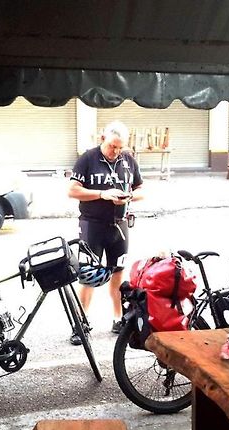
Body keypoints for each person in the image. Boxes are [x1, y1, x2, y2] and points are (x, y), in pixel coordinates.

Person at [68, 121, 144, 344]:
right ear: (103, 139)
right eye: (113, 146)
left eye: (120, 147)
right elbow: (72, 190)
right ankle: (81, 323)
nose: (116, 151)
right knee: (88, 275)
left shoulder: (128, 160)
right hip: (92, 225)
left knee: (119, 273)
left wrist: (129, 196)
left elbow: (141, 189)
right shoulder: (88, 158)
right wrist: (102, 194)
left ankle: (118, 318)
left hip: (119, 225)